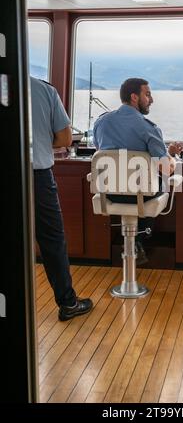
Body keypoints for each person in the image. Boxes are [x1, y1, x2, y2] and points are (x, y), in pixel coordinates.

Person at [93, 77, 183, 264]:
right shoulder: (148, 128)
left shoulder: (101, 123)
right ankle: (139, 241)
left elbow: (101, 154)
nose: (151, 99)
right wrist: (172, 156)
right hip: (141, 196)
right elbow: (166, 168)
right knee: (151, 184)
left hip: (109, 194)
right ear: (134, 97)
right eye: (147, 94)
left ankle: (134, 242)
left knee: (141, 185)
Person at [30, 76, 93, 321]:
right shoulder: (43, 90)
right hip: (37, 176)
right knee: (51, 240)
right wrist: (41, 143)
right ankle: (68, 304)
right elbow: (65, 139)